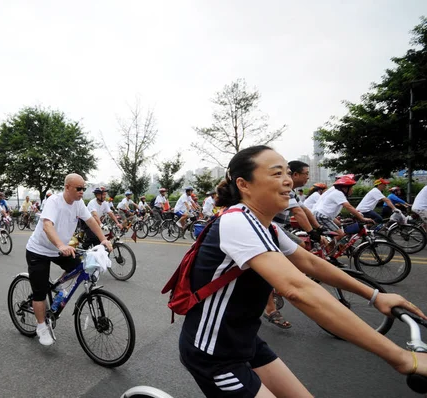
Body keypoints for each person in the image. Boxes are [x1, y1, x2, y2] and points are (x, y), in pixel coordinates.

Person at [179, 145, 427, 398]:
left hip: (245, 341)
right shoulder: (236, 221)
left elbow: (310, 263)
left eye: (288, 173)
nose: (288, 180)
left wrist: (375, 296)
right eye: (276, 174)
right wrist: (400, 357)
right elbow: (297, 289)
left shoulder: (268, 227)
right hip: (213, 353)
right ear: (244, 184)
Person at [25, 174, 113, 346]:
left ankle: (58, 287)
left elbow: (91, 221)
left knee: (80, 266)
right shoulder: (54, 202)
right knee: (40, 292)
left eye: (83, 188)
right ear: (67, 188)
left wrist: (103, 239)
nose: (82, 192)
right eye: (78, 188)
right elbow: (47, 225)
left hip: (59, 249)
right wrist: (60, 245)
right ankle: (41, 327)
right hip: (39, 250)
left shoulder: (79, 203)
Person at [266, 160, 326, 329]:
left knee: (302, 249)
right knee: (297, 250)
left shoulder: (293, 193)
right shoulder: (284, 190)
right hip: (270, 227)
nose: (308, 177)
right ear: (295, 175)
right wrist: (311, 231)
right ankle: (270, 308)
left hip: (279, 228)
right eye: (306, 173)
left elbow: (304, 210)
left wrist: (318, 229)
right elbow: (297, 212)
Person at [312, 175, 375, 241]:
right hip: (323, 216)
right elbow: (348, 207)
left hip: (324, 215)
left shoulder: (337, 192)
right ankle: (329, 249)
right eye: (351, 188)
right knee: (340, 234)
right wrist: (362, 218)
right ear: (345, 188)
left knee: (339, 224)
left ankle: (336, 246)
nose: (352, 190)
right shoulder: (338, 193)